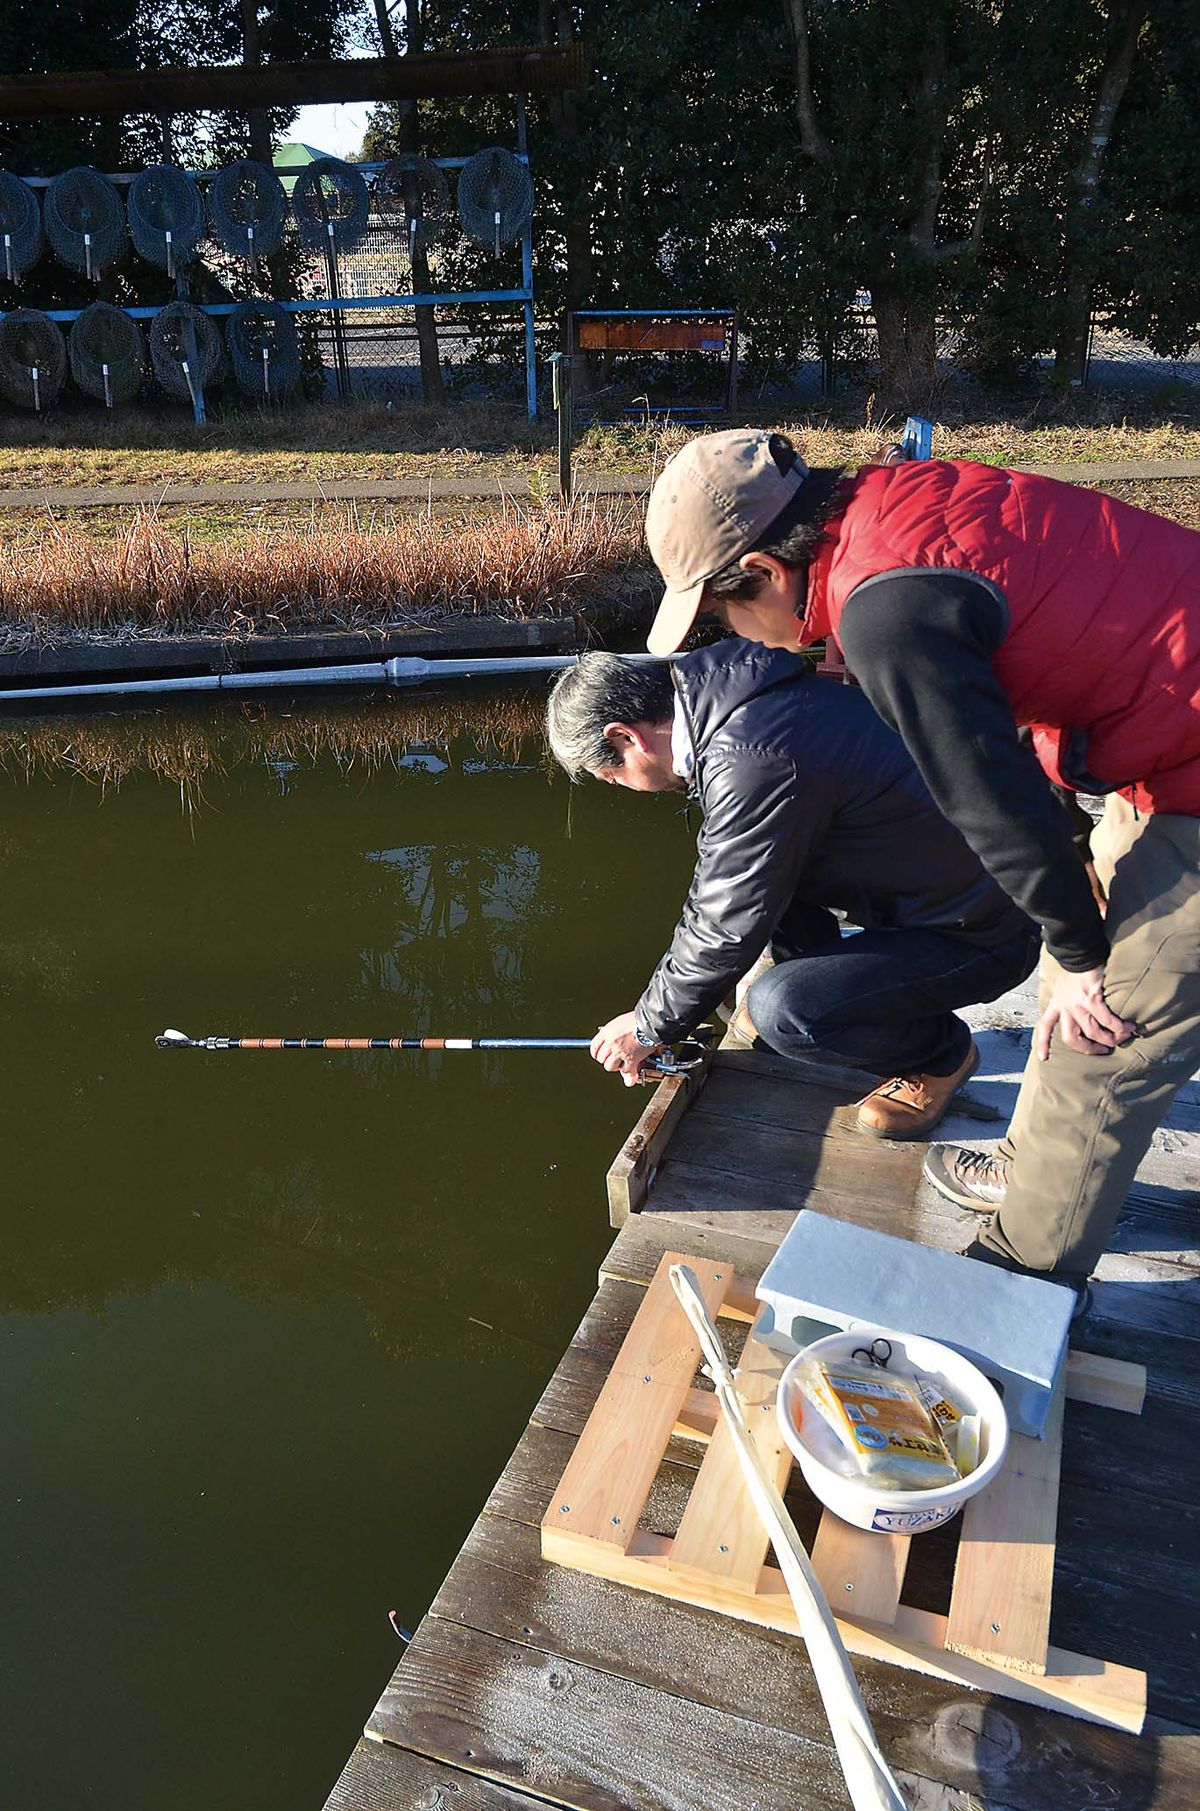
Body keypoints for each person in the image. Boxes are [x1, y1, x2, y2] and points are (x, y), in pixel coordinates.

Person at [641, 428, 1200, 1295]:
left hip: (1188, 750)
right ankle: (1032, 1159)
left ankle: (1020, 1284)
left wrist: (1088, 955)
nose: (736, 635)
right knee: (1072, 970)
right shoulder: (892, 507)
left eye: (721, 613)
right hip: (1159, 731)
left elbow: (989, 793)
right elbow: (1024, 693)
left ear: (767, 571)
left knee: (1109, 1031)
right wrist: (1072, 927)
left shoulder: (884, 611)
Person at [546, 644, 1039, 1140]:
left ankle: (942, 1055)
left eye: (612, 775)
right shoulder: (744, 710)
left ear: (627, 737)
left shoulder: (751, 760)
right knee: (760, 881)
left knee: (784, 1010)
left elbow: (724, 924)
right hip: (950, 892)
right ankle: (843, 998)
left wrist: (648, 1027)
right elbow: (727, 889)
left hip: (986, 931)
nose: (623, 787)